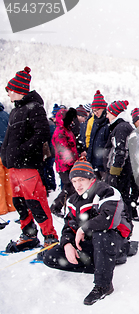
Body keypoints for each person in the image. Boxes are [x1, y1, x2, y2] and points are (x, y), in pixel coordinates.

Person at [43, 159, 132, 306]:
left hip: (113, 240)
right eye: (74, 181)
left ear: (91, 179)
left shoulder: (107, 191)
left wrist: (83, 228)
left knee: (101, 232)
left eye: (81, 180)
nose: (77, 185)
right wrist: (66, 244)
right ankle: (102, 264)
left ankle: (104, 284)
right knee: (50, 257)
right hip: (92, 244)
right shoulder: (73, 200)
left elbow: (110, 220)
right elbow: (68, 226)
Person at [2, 67, 59, 251]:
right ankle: (29, 234)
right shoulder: (15, 111)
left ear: (18, 90)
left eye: (10, 90)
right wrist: (5, 155)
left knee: (36, 203)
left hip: (28, 165)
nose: (8, 93)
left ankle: (50, 238)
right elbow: (9, 138)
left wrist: (20, 152)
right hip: (14, 167)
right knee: (19, 202)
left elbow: (41, 134)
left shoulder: (34, 108)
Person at [103, 100, 135, 223]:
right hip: (124, 170)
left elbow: (120, 150)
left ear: (115, 114)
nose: (107, 116)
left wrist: (114, 172)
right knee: (123, 197)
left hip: (120, 171)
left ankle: (124, 223)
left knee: (120, 197)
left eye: (109, 113)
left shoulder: (121, 128)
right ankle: (125, 222)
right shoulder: (122, 126)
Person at [50, 107, 79, 218]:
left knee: (71, 187)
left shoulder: (66, 130)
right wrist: (73, 162)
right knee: (68, 187)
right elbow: (63, 150)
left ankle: (68, 206)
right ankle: (56, 207)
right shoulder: (60, 132)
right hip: (64, 166)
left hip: (69, 164)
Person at [86, 90, 110, 180]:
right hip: (94, 163)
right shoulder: (94, 122)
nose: (95, 112)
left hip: (104, 164)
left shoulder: (108, 121)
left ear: (103, 108)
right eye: (93, 110)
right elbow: (91, 141)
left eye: (97, 110)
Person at [0, 102, 15, 215]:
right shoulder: (6, 115)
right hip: (7, 152)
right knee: (8, 180)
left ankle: (2, 209)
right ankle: (11, 205)